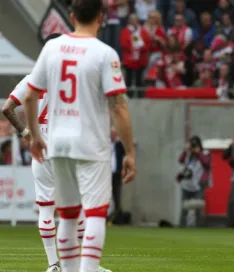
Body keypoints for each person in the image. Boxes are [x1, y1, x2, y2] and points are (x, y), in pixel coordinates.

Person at [23, 0, 136, 271]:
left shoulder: (51, 49)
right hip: (90, 143)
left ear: (71, 17)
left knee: (68, 215)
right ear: (100, 17)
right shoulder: (104, 53)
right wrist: (130, 152)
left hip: (58, 144)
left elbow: (29, 96)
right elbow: (119, 107)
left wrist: (35, 136)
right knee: (95, 213)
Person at [2, 33, 111, 272]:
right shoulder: (73, 80)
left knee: (46, 207)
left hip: (40, 153)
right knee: (80, 207)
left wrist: (26, 134)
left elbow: (7, 108)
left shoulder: (32, 80)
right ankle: (88, 266)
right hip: (67, 151)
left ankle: (53, 265)